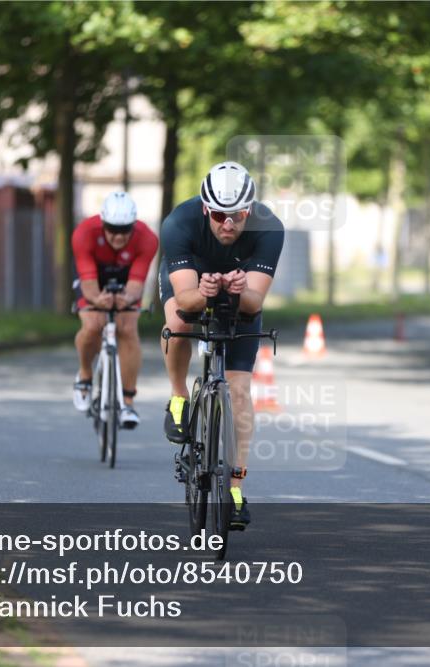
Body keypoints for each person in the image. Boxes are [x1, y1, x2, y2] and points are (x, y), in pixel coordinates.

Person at [158, 161, 284, 529]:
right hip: (191, 280)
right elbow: (184, 299)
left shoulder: (270, 227)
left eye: (237, 215)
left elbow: (254, 304)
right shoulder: (178, 223)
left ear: (250, 210)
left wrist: (240, 289)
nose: (227, 223)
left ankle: (235, 488)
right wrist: (203, 291)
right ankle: (179, 396)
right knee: (178, 322)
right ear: (204, 209)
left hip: (239, 290)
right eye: (217, 214)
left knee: (241, 392)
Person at [71, 191, 158, 428]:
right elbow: (88, 283)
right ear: (102, 223)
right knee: (92, 325)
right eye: (112, 229)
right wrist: (98, 300)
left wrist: (126, 298)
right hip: (93, 277)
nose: (118, 236)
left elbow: (137, 283)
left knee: (128, 328)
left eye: (124, 230)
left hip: (125, 278)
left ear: (133, 225)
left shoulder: (147, 238)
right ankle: (85, 374)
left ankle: (127, 402)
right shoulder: (84, 233)